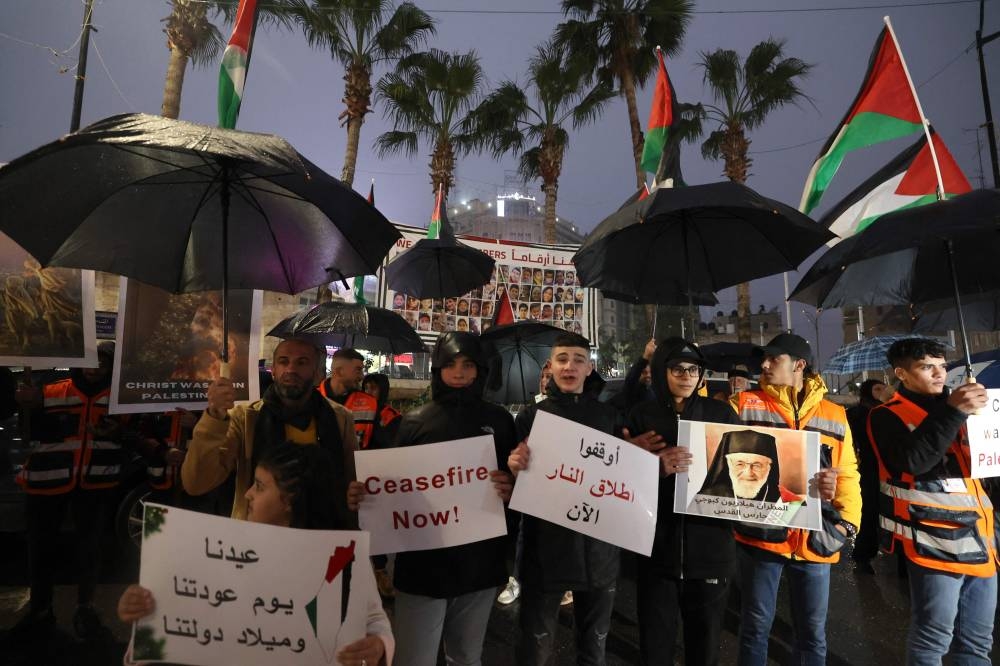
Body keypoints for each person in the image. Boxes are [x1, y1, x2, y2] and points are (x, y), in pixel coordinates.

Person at [122, 443, 393, 666]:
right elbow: (175, 630)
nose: (248, 495)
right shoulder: (218, 552)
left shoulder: (343, 556)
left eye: (260, 486)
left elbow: (374, 620)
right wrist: (145, 614)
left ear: (290, 500)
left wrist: (378, 646)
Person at [348, 332, 515, 666]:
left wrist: (511, 486)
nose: (458, 372)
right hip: (423, 566)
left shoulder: (499, 421)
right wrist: (364, 494)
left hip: (478, 563)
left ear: (480, 370)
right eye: (450, 364)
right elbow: (390, 488)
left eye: (468, 364)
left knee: (466, 656)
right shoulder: (414, 423)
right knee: (414, 658)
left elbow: (518, 483)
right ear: (437, 368)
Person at [730, 333, 861, 666]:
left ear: (799, 365)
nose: (764, 364)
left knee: (813, 634)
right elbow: (708, 443)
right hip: (760, 538)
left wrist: (848, 524)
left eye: (774, 359)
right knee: (755, 627)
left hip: (814, 538)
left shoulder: (834, 413)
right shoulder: (742, 404)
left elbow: (847, 474)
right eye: (764, 358)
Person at [867, 338, 995, 664]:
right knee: (933, 639)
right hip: (934, 541)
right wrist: (953, 411)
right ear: (902, 374)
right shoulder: (886, 415)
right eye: (927, 367)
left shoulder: (962, 410)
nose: (939, 374)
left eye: (942, 366)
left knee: (978, 643)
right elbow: (913, 461)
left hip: (981, 540)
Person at [622, 338, 741, 666]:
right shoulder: (640, 415)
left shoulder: (721, 414)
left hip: (712, 553)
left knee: (704, 649)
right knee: (656, 647)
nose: (687, 376)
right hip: (656, 555)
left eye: (694, 369)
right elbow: (619, 483)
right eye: (678, 369)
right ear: (661, 371)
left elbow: (747, 473)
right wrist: (653, 467)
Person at [508, 332, 619, 665]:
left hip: (600, 552)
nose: (570, 366)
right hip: (545, 552)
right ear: (551, 366)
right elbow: (514, 487)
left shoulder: (609, 418)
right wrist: (514, 468)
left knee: (593, 650)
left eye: (578, 360)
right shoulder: (530, 417)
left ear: (589, 368)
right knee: (535, 647)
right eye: (562, 359)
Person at [8, 341, 130, 643]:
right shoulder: (52, 391)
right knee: (41, 551)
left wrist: (119, 431)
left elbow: (132, 434)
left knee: (90, 552)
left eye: (103, 363)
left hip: (95, 485)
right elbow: (27, 429)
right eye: (92, 360)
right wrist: (23, 402)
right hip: (47, 483)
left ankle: (85, 610)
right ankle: (40, 610)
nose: (96, 367)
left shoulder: (119, 399)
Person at [181, 337, 358, 522]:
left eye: (302, 362)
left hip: (323, 537)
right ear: (273, 370)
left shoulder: (339, 418)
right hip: (257, 540)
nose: (291, 369)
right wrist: (215, 416)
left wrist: (354, 494)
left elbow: (352, 481)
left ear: (317, 374)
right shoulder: (245, 418)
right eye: (283, 361)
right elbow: (196, 483)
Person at [846, 378, 888, 574]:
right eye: (877, 389)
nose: (881, 391)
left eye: (883, 388)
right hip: (866, 470)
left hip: (887, 469)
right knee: (868, 512)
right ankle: (863, 555)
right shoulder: (856, 413)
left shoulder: (888, 410)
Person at [319, 348, 382, 452]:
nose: (362, 376)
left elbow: (378, 447)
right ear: (339, 371)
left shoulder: (370, 403)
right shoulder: (311, 398)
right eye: (358, 370)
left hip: (359, 466)